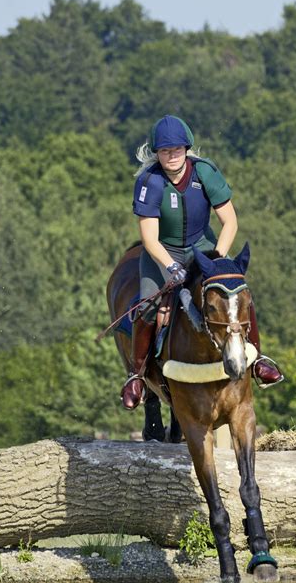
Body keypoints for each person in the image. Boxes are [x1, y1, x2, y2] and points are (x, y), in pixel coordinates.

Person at [121, 115, 282, 410]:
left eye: (178, 150)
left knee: (236, 292)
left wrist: (218, 259)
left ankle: (258, 360)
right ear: (157, 153)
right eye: (166, 151)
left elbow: (230, 221)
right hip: (162, 251)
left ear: (186, 150)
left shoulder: (205, 172)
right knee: (146, 305)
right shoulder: (149, 182)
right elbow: (149, 239)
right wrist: (171, 267)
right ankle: (137, 376)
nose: (172, 156)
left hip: (204, 246)